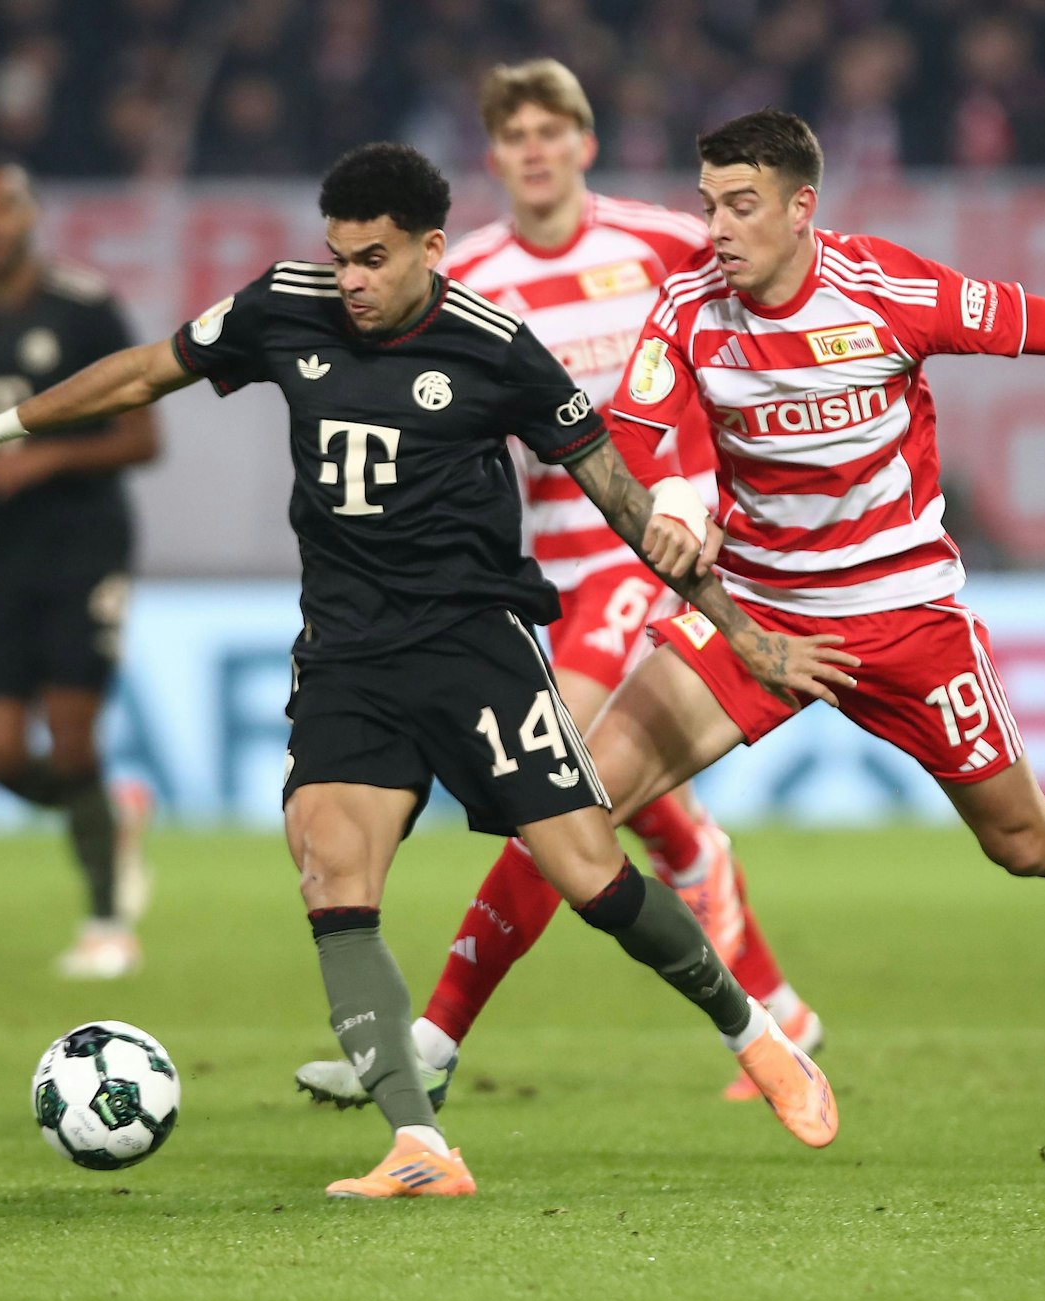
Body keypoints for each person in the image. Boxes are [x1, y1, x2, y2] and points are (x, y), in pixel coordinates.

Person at [0, 143, 855, 1200]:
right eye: (339, 257)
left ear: (430, 248)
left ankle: (755, 1028)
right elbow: (141, 373)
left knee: (591, 875)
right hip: (349, 653)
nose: (350, 280)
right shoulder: (286, 307)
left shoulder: (498, 349)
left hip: (473, 648)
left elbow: (623, 502)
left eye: (372, 258)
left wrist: (740, 629)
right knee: (329, 866)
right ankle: (421, 1145)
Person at [446, 108, 1045, 1021]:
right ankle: (427, 1047)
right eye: (707, 205)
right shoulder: (688, 306)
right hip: (756, 618)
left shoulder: (887, 293)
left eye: (739, 205)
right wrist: (680, 500)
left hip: (904, 617)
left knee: (1019, 840)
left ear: (799, 207)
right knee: (572, 804)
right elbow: (636, 435)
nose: (718, 229)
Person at [293, 59, 824, 1114]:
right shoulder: (465, 274)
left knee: (560, 794)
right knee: (603, 807)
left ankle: (434, 1035)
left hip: (640, 562)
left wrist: (703, 483)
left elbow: (748, 319)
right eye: (515, 136)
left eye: (552, 131)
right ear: (494, 159)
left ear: (583, 143)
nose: (535, 151)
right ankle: (769, 991)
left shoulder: (659, 240)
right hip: (532, 578)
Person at [0, 161, 160, 980]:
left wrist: (42, 457)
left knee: (73, 726)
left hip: (84, 548)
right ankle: (109, 817)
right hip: (1, 557)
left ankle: (106, 919)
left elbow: (143, 438)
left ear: (30, 216)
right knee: (0, 755)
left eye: (2, 211)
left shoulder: (84, 309)